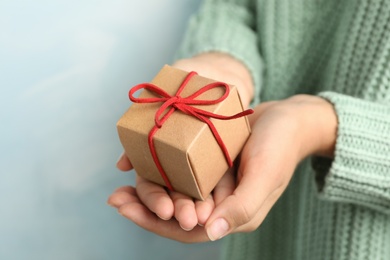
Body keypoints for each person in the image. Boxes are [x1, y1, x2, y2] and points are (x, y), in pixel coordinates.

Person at [108, 0, 390, 259]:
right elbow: (235, 7)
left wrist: (322, 126)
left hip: (359, 238)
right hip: (261, 238)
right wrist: (223, 62)